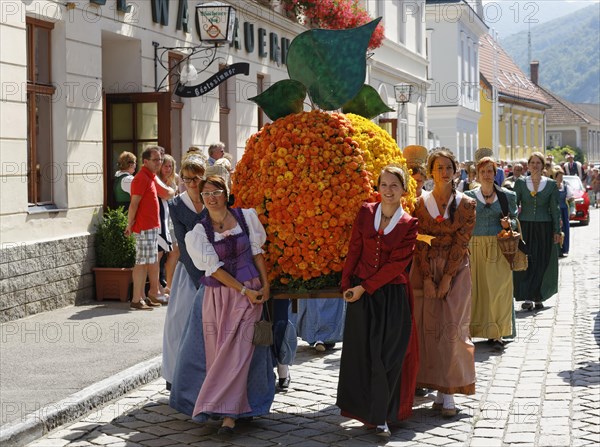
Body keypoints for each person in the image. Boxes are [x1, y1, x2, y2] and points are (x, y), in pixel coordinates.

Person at [177, 175, 275, 434]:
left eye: (216, 191)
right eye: (206, 193)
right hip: (219, 297)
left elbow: (257, 253)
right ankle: (220, 407)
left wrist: (265, 286)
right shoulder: (198, 232)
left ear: (226, 193)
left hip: (250, 293)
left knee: (241, 352)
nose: (211, 197)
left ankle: (228, 416)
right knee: (220, 352)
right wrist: (242, 289)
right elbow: (215, 270)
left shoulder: (245, 217)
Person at [337, 165, 419, 438]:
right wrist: (347, 284)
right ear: (378, 187)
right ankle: (366, 412)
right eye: (384, 184)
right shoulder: (365, 212)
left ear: (403, 190)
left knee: (388, 356)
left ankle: (382, 415)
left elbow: (397, 265)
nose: (388, 190)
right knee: (362, 354)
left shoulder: (409, 224)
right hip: (361, 294)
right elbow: (354, 249)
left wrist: (364, 287)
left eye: (394, 185)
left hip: (392, 297)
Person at [410, 148, 476, 418]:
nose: (444, 172)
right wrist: (427, 278)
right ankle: (433, 383)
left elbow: (461, 243)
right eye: (439, 168)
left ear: (456, 171)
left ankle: (448, 392)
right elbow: (418, 241)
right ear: (430, 171)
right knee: (426, 326)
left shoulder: (466, 205)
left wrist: (447, 277)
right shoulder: (418, 203)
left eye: (449, 167)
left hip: (456, 268)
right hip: (425, 265)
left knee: (452, 327)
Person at [162, 156, 206, 389]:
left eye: (195, 178)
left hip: (214, 269)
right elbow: (182, 244)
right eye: (186, 178)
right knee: (180, 320)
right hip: (188, 271)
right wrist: (198, 276)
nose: (190, 183)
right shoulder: (176, 205)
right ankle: (175, 374)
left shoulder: (213, 198)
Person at [465, 156, 518, 352]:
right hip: (474, 246)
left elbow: (514, 222)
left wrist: (508, 224)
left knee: (498, 290)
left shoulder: (506, 196)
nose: (487, 175)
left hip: (499, 247)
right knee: (476, 290)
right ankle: (473, 331)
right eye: (483, 172)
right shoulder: (468, 196)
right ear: (477, 175)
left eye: (490, 171)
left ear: (495, 173)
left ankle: (497, 333)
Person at [125, 146, 175, 310]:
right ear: (145, 161)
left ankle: (142, 297)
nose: (159, 163)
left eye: (160, 159)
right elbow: (134, 204)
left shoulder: (150, 176)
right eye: (155, 160)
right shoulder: (141, 178)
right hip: (144, 227)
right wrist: (129, 224)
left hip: (151, 227)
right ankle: (136, 299)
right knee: (141, 263)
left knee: (147, 263)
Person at [513, 152, 561, 311]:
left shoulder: (551, 184)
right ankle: (527, 296)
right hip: (525, 226)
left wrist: (557, 230)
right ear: (528, 165)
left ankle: (539, 296)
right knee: (527, 260)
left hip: (544, 227)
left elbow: (555, 209)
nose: (535, 165)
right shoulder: (520, 183)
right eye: (532, 162)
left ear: (542, 165)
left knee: (541, 260)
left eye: (538, 163)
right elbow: (514, 207)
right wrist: (512, 227)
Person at [157, 154, 180, 294]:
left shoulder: (173, 181)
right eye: (165, 165)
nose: (168, 168)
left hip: (171, 220)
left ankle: (169, 286)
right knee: (159, 255)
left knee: (174, 251)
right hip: (160, 220)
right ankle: (158, 286)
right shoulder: (157, 181)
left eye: (170, 166)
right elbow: (165, 196)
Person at [550, 167, 573, 258]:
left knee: (565, 230)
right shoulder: (552, 187)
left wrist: (572, 210)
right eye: (559, 176)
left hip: (563, 211)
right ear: (555, 177)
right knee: (556, 230)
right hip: (555, 211)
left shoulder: (566, 187)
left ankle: (564, 249)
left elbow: (571, 199)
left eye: (562, 176)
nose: (561, 178)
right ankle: (557, 250)